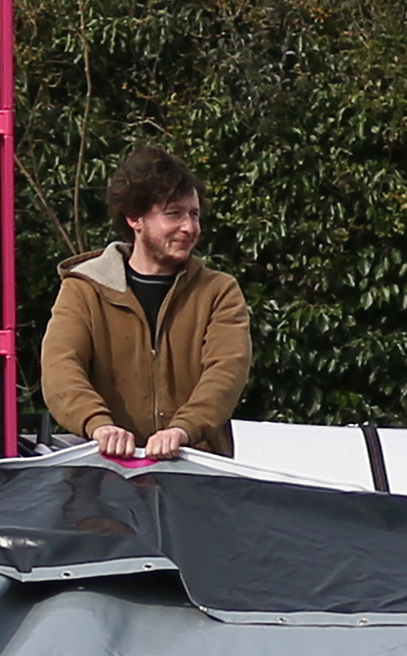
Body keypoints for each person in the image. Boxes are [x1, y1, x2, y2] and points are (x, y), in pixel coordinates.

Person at [41, 149, 250, 461]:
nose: (189, 227)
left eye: (194, 214)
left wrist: (182, 430)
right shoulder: (83, 289)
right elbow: (60, 369)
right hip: (107, 472)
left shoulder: (219, 291)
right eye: (174, 214)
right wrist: (99, 426)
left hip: (197, 473)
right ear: (134, 218)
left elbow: (226, 373)